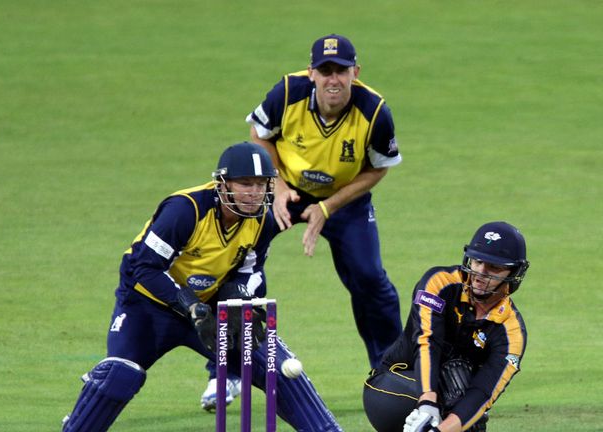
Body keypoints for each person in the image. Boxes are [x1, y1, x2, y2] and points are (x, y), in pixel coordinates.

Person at [61, 142, 342, 432]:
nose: (255, 193)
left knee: (277, 367)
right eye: (245, 183)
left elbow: (251, 271)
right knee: (121, 374)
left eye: (261, 184)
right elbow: (143, 267)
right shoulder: (185, 209)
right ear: (223, 184)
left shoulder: (262, 219)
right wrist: (189, 303)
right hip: (147, 307)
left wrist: (237, 299)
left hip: (209, 310)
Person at [246, 32, 402, 365]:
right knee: (240, 258)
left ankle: (393, 371)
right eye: (325, 70)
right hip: (285, 192)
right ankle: (230, 370)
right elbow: (258, 135)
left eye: (341, 71)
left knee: (370, 279)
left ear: (355, 73)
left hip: (344, 201)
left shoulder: (375, 112)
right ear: (312, 72)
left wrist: (327, 208)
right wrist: (276, 185)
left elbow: (378, 169)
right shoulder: (288, 92)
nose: (333, 79)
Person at [362, 221, 530, 432]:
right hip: (393, 386)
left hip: (448, 396)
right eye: (477, 262)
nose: (480, 273)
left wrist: (439, 430)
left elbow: (484, 392)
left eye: (493, 267)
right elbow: (427, 342)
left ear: (514, 273)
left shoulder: (512, 331)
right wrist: (427, 403)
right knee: (454, 388)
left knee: (470, 414)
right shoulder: (439, 283)